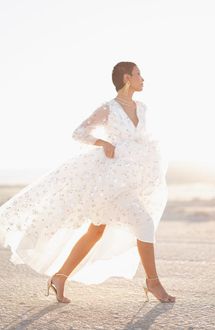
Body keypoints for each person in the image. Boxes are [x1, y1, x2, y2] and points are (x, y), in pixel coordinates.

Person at [0, 61, 176, 304]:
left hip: (132, 180)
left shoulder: (143, 108)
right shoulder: (109, 109)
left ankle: (60, 277)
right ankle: (153, 282)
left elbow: (144, 140)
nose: (142, 78)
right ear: (127, 78)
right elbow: (79, 133)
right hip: (110, 182)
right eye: (138, 74)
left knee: (95, 231)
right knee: (144, 223)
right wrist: (103, 143)